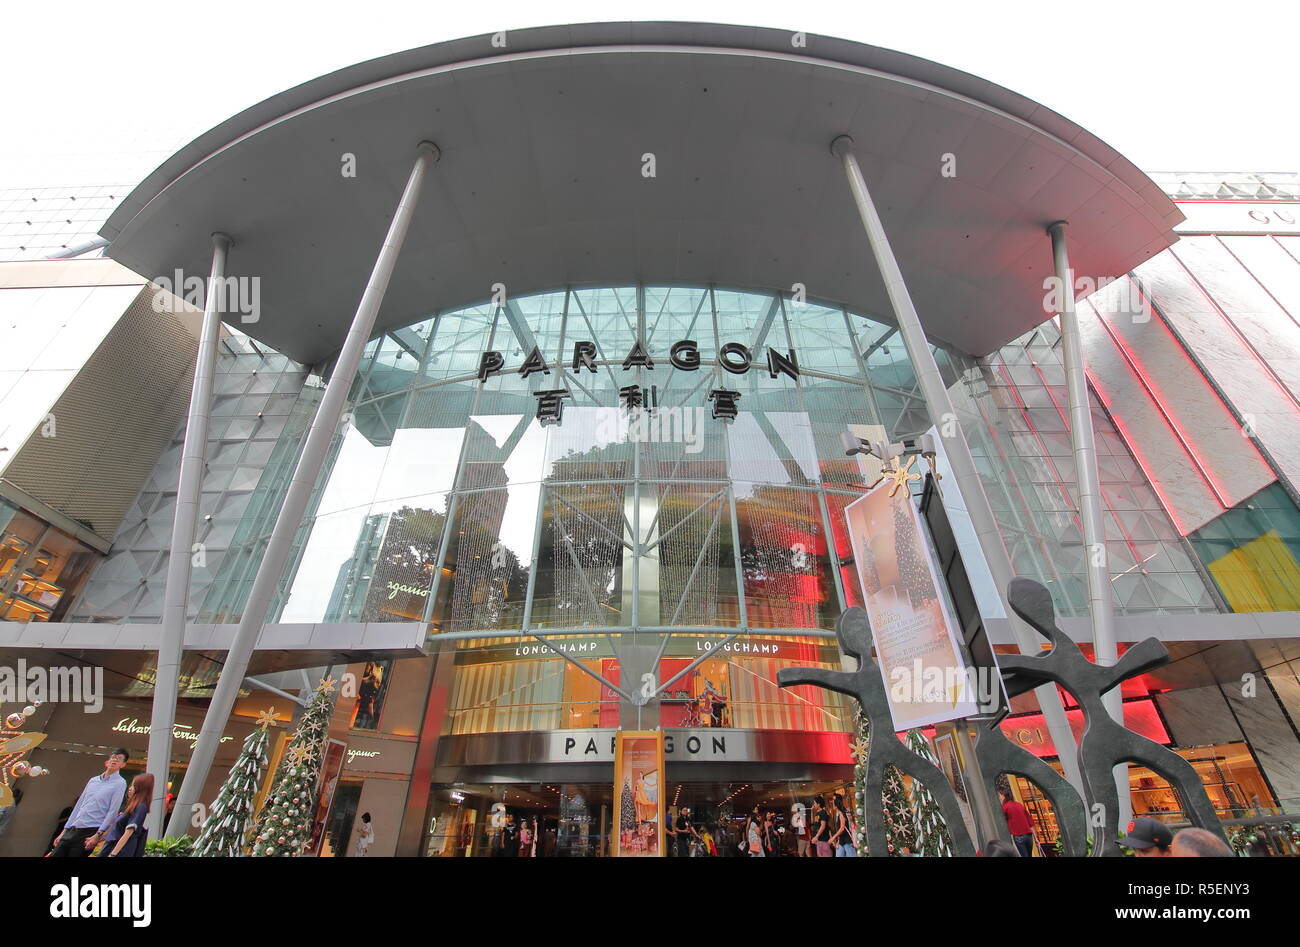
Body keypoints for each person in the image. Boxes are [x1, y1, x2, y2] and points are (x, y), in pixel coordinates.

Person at [50, 748, 128, 857]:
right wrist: (64, 831)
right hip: (73, 828)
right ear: (107, 762)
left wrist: (98, 835)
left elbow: (113, 811)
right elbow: (79, 805)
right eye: (113, 757)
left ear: (123, 765)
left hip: (90, 831)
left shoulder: (120, 783)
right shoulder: (93, 780)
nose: (115, 760)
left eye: (119, 759)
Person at [97, 773, 153, 858]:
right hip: (113, 846)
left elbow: (128, 833)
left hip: (121, 850)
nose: (130, 789)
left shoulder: (140, 807)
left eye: (134, 786)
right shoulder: (133, 806)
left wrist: (113, 854)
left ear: (140, 789)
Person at [1000, 788, 1036, 858]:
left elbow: (1002, 822)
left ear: (1003, 796)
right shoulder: (1019, 805)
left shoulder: (1005, 807)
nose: (1000, 798)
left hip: (1018, 836)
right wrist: (1036, 837)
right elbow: (1030, 821)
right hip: (1028, 836)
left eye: (1000, 796)